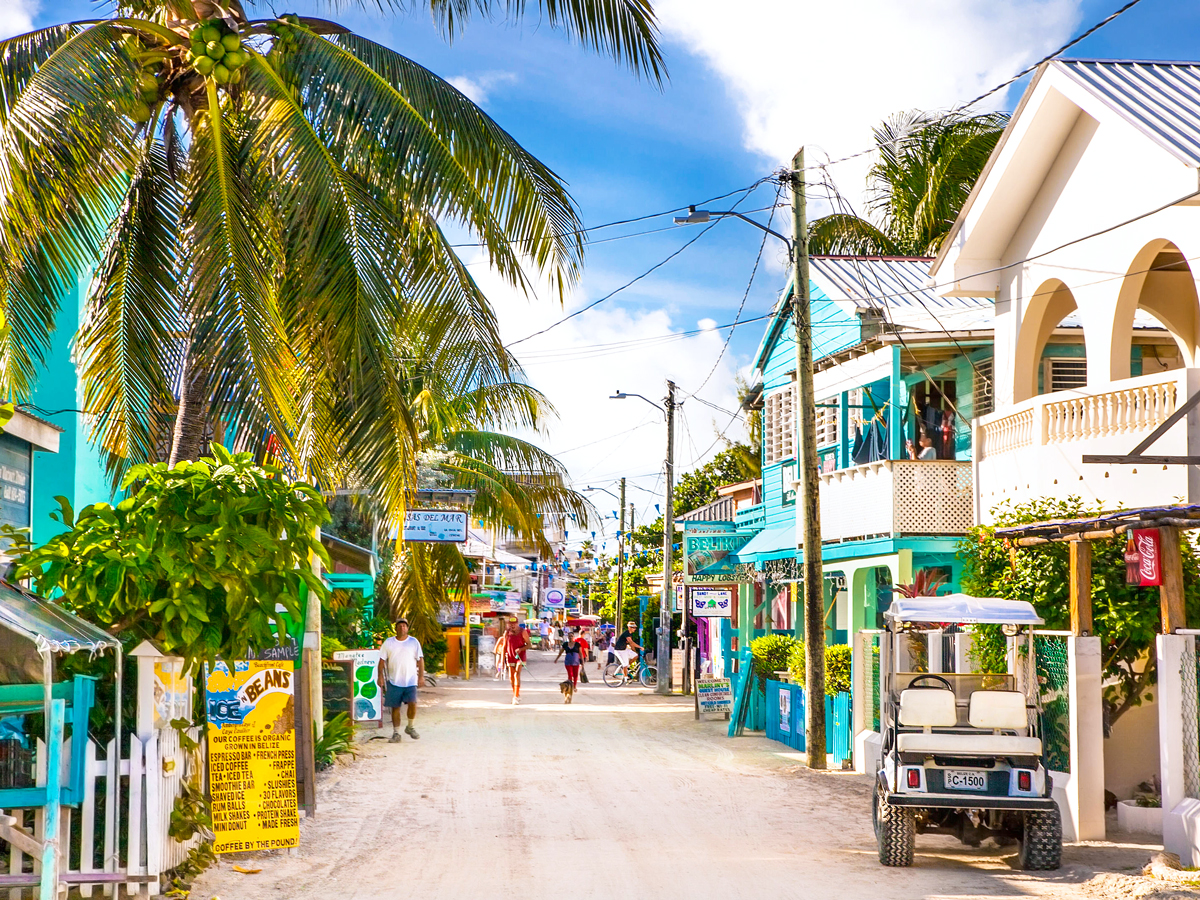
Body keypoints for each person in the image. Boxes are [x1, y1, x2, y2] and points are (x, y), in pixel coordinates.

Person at [378, 619, 424, 743]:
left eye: (404, 626)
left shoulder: (413, 642)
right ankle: (396, 733)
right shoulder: (389, 642)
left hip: (411, 680)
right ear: (396, 629)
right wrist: (380, 676)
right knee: (395, 707)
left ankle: (410, 727)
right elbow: (381, 661)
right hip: (394, 680)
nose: (402, 628)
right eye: (399, 626)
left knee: (413, 703)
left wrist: (421, 676)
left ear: (407, 628)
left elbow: (420, 660)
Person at [501, 618, 528, 704]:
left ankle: (515, 697)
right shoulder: (507, 633)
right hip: (510, 656)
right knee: (511, 677)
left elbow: (529, 644)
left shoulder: (523, 631)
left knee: (517, 674)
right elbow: (504, 647)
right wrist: (502, 661)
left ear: (517, 623)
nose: (512, 625)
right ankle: (516, 693)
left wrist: (521, 649)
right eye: (510, 624)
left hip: (520, 656)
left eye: (514, 623)